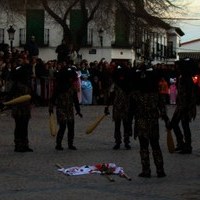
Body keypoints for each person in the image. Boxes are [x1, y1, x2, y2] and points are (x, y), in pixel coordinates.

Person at [129, 63, 168, 178]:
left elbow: (131, 110)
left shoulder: (135, 93)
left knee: (144, 146)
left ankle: (146, 170)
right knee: (155, 145)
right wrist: (166, 119)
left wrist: (129, 124)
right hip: (153, 121)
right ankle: (160, 170)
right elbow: (162, 107)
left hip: (141, 121)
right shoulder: (156, 93)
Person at [49, 66, 83, 151]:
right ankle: (58, 144)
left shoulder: (71, 87)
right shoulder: (59, 87)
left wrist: (78, 110)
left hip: (69, 109)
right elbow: (53, 98)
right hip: (61, 109)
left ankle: (70, 144)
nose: (72, 79)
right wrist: (50, 109)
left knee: (71, 127)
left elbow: (75, 100)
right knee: (63, 126)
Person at [169, 59, 197, 154]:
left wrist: (186, 107)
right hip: (182, 105)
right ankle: (182, 143)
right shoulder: (183, 77)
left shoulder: (186, 78)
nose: (176, 68)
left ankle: (187, 146)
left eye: (177, 66)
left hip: (185, 106)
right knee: (178, 124)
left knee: (183, 125)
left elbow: (189, 94)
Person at [7, 60, 33, 152]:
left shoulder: (27, 83)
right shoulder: (17, 84)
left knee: (24, 126)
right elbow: (10, 95)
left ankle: (25, 144)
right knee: (19, 126)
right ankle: (18, 145)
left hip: (25, 108)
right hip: (18, 109)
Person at [104, 65, 132, 150]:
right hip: (119, 107)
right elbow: (111, 96)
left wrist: (107, 106)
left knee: (124, 125)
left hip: (124, 107)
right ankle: (119, 141)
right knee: (119, 125)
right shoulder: (118, 85)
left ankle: (124, 142)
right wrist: (107, 106)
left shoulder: (126, 85)